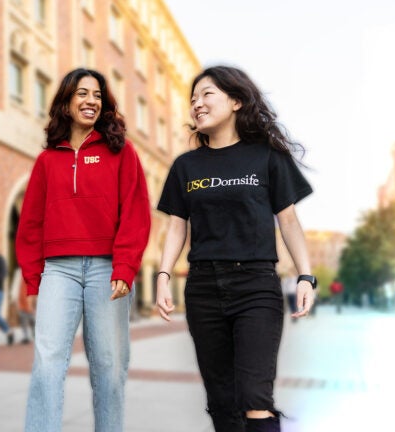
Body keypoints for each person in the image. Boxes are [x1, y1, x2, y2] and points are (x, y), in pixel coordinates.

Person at [154, 65, 315, 432]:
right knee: (222, 400)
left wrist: (306, 276)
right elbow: (177, 225)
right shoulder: (186, 166)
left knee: (255, 397)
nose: (197, 103)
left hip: (255, 285)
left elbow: (287, 221)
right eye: (192, 98)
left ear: (236, 101)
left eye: (206, 94)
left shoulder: (267, 157)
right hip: (204, 288)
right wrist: (163, 275)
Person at [16, 68, 151, 431]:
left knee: (109, 367)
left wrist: (125, 267)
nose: (90, 100)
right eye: (82, 93)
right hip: (58, 270)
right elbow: (30, 224)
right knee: (47, 362)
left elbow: (136, 214)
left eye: (97, 95)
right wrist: (32, 279)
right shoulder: (48, 160)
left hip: (108, 270)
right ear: (66, 101)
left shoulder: (120, 152)